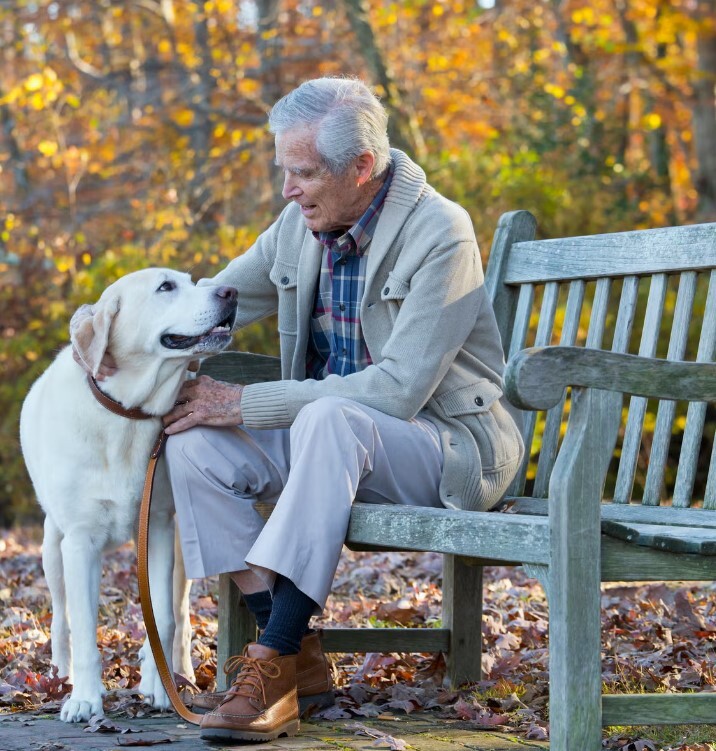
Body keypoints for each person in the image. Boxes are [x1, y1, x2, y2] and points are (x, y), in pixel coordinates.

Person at [96, 76, 524, 743]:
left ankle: (269, 666)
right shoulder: (300, 225)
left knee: (324, 416)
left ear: (361, 167)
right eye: (284, 172)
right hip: (337, 439)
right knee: (193, 442)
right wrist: (133, 344)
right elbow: (217, 297)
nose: (288, 190)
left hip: (446, 450)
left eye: (302, 173)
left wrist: (243, 402)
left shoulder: (441, 233)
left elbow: (397, 391)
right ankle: (297, 651)